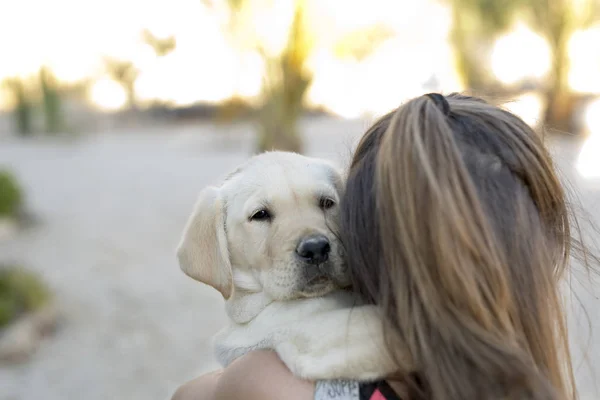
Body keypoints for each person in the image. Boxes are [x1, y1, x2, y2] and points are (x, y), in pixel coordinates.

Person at [172, 93, 596, 400]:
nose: (313, 239)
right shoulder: (536, 374)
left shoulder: (263, 382)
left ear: (361, 231)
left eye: (326, 205)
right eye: (263, 215)